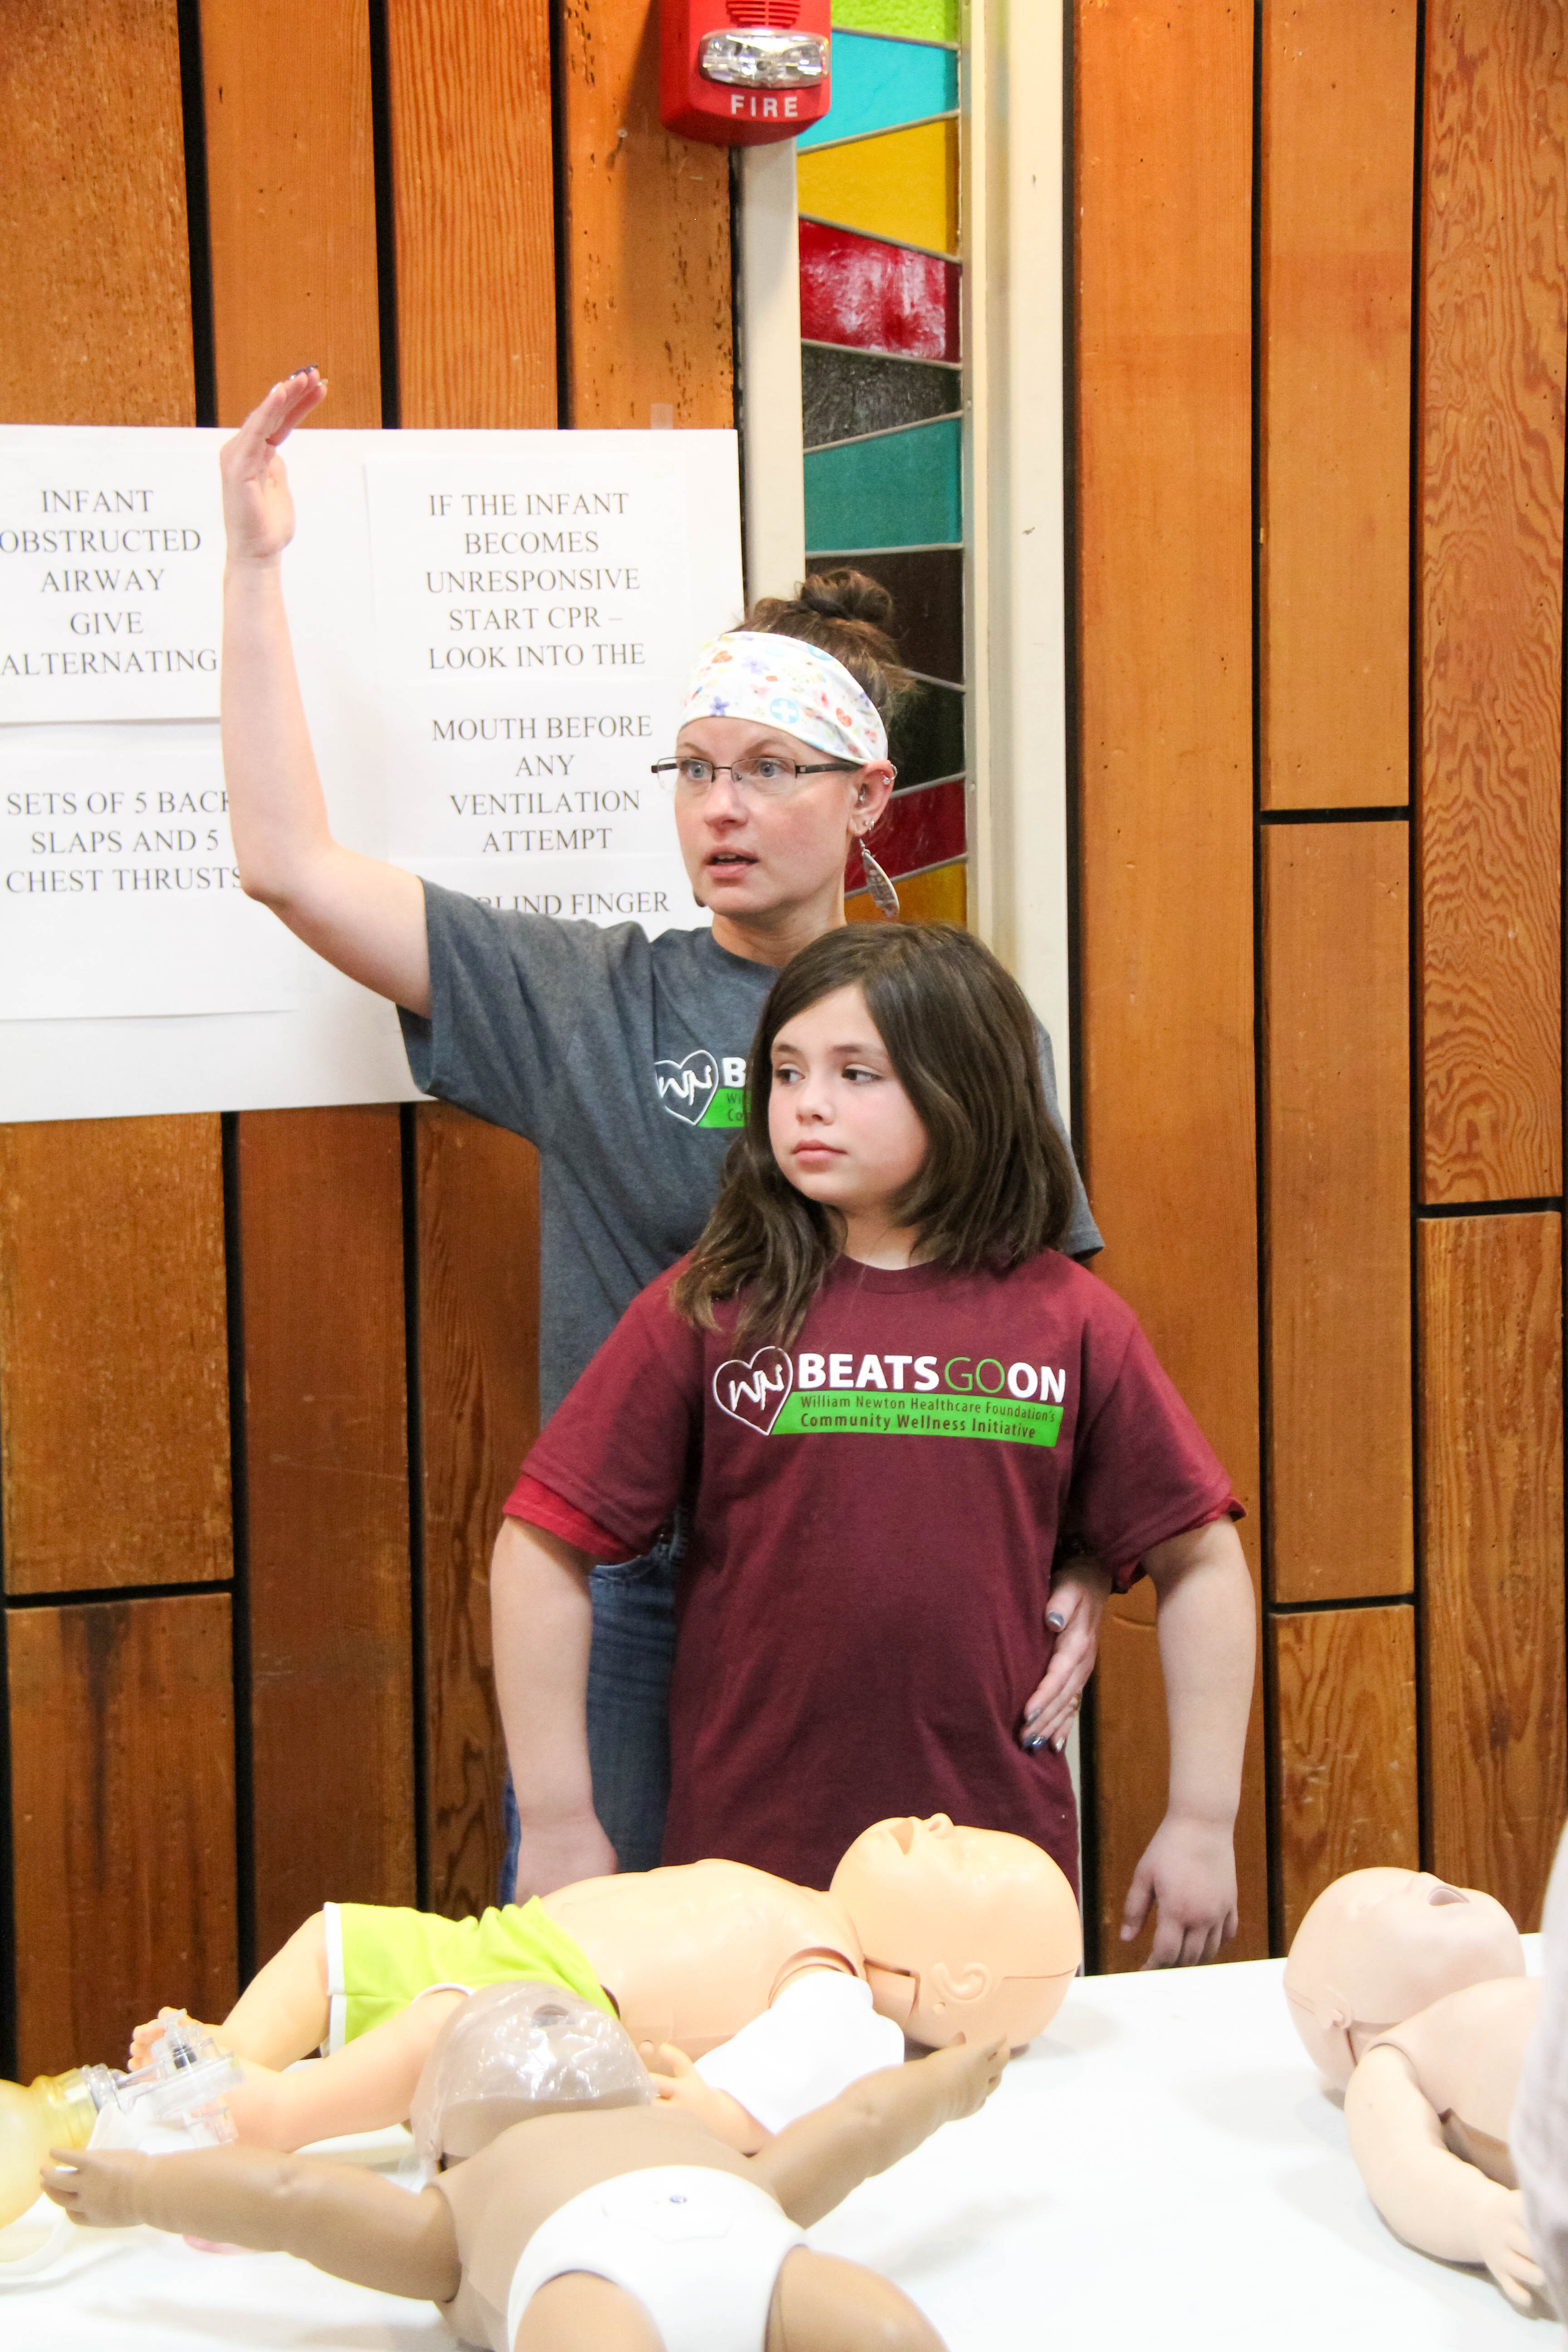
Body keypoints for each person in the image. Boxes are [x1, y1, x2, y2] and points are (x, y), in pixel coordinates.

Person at [220, 372, 1106, 1893]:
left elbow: (1049, 1318)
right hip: (632, 1590)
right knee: (598, 2004)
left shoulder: (963, 1023)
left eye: (767, 768)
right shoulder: (588, 997)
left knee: (900, 1995)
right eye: (694, 767)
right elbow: (291, 866)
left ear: (866, 795)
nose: (721, 804)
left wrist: (1083, 1552)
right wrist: (251, 567)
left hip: (893, 1574)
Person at [497, 923, 1256, 1965]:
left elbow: (1202, 1558)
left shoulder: (1068, 1319)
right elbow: (539, 1540)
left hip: (995, 1879)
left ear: (963, 1090)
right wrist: (557, 1816)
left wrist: (1201, 1818)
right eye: (786, 1070)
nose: (807, 1102)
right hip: (745, 1881)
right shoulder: (709, 1310)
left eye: (858, 1073)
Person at [43, 2004, 1009, 2352]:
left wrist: (135, 2190)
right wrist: (953, 2080)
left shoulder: (458, 2204)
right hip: (756, 2256)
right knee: (886, 2333)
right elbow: (863, 2124)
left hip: (584, 2282)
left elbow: (290, 2202)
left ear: (443, 2143)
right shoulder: (727, 2160)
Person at [116, 1815, 1078, 2156]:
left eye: (969, 1857)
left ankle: (276, 2114)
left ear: (954, 1979)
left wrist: (717, 2113)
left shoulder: (839, 1991)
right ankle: (234, 2054)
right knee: (333, 1941)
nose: (948, 1821)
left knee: (448, 2028)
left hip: (560, 2009)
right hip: (509, 1941)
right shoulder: (809, 1904)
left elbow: (800, 2075)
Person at [1284, 1865, 1549, 2313]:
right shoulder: (1396, 2058)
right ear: (1336, 2013)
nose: (1424, 1879)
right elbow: (1400, 2167)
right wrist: (1481, 2216)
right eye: (1369, 1905)